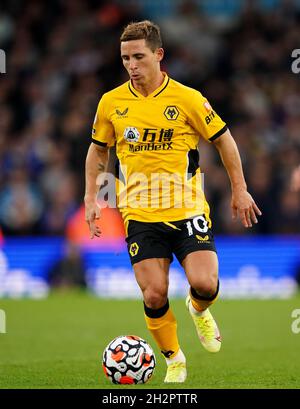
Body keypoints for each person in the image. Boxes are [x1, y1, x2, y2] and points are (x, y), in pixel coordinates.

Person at [84, 20, 262, 383]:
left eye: (138, 57)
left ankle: (198, 310)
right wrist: (92, 197)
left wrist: (239, 189)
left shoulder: (188, 99)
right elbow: (98, 151)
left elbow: (225, 141)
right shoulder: (111, 103)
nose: (131, 66)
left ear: (158, 55)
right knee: (153, 293)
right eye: (125, 58)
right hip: (140, 214)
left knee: (207, 283)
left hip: (187, 208)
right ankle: (174, 358)